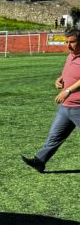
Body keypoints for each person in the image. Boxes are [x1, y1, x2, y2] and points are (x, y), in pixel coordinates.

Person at [22, 25, 80, 173]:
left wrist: (67, 91)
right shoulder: (70, 56)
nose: (68, 46)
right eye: (66, 42)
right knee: (54, 136)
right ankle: (39, 161)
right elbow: (71, 72)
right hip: (65, 107)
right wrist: (60, 79)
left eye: (72, 42)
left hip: (78, 107)